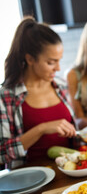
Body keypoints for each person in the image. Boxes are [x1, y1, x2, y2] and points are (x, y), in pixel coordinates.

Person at [0, 17, 77, 169]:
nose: (58, 68)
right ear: (30, 59)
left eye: (59, 60)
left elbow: (72, 134)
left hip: (70, 173)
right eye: (51, 62)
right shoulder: (7, 96)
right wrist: (41, 129)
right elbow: (2, 154)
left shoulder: (60, 86)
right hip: (30, 180)